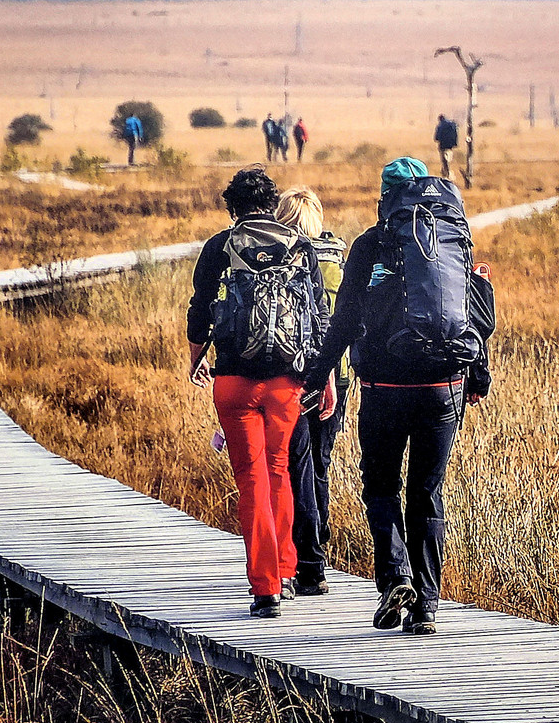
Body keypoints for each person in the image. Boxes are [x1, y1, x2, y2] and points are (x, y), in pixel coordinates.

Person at [307, 156, 493, 636]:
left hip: (384, 389)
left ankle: (395, 579)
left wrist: (317, 375)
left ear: (384, 197)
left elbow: (344, 320)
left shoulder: (371, 243)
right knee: (427, 492)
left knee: (382, 487)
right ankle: (428, 606)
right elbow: (468, 311)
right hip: (443, 390)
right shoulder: (452, 237)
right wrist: (477, 375)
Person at [187, 165, 330, 618]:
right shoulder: (301, 247)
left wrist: (197, 359)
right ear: (272, 204)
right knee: (279, 472)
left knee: (250, 480)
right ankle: (286, 570)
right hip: (288, 383)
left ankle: (265, 588)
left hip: (233, 382)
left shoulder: (219, 246)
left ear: (232, 207)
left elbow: (198, 311)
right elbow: (318, 315)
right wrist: (323, 377)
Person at [276, 186, 350, 596]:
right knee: (319, 465)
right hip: (336, 377)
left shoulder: (283, 259)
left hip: (296, 375)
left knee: (291, 468)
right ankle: (316, 561)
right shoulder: (338, 257)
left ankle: (304, 561)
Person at [434, 115, 459, 180]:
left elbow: (436, 138)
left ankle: (447, 175)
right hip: (450, 146)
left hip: (442, 146)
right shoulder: (452, 125)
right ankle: (447, 174)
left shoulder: (440, 126)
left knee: (444, 161)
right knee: (448, 160)